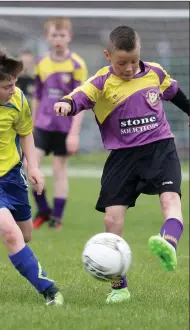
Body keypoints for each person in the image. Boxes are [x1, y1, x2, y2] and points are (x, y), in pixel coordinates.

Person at [54, 26, 189, 303]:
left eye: (133, 61)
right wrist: (66, 104)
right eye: (121, 63)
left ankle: (168, 243)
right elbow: (80, 95)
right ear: (108, 56)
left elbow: (175, 93)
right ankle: (119, 287)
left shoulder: (154, 72)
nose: (129, 68)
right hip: (123, 157)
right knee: (112, 219)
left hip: (160, 148)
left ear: (140, 54)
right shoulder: (101, 81)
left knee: (170, 201)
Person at [0, 47, 64, 306]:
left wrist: (34, 167)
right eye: (7, 86)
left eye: (15, 84)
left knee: (24, 235)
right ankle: (49, 291)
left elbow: (25, 132)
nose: (14, 90)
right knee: (11, 234)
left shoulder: (17, 100)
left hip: (12, 177)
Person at [31, 17, 88, 230]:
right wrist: (32, 123)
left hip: (64, 127)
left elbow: (81, 102)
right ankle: (43, 209)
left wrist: (74, 133)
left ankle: (57, 218)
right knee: (30, 167)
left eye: (62, 35)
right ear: (47, 37)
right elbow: (37, 95)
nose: (58, 39)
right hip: (42, 125)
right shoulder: (41, 63)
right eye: (54, 35)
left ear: (69, 37)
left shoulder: (77, 64)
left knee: (58, 170)